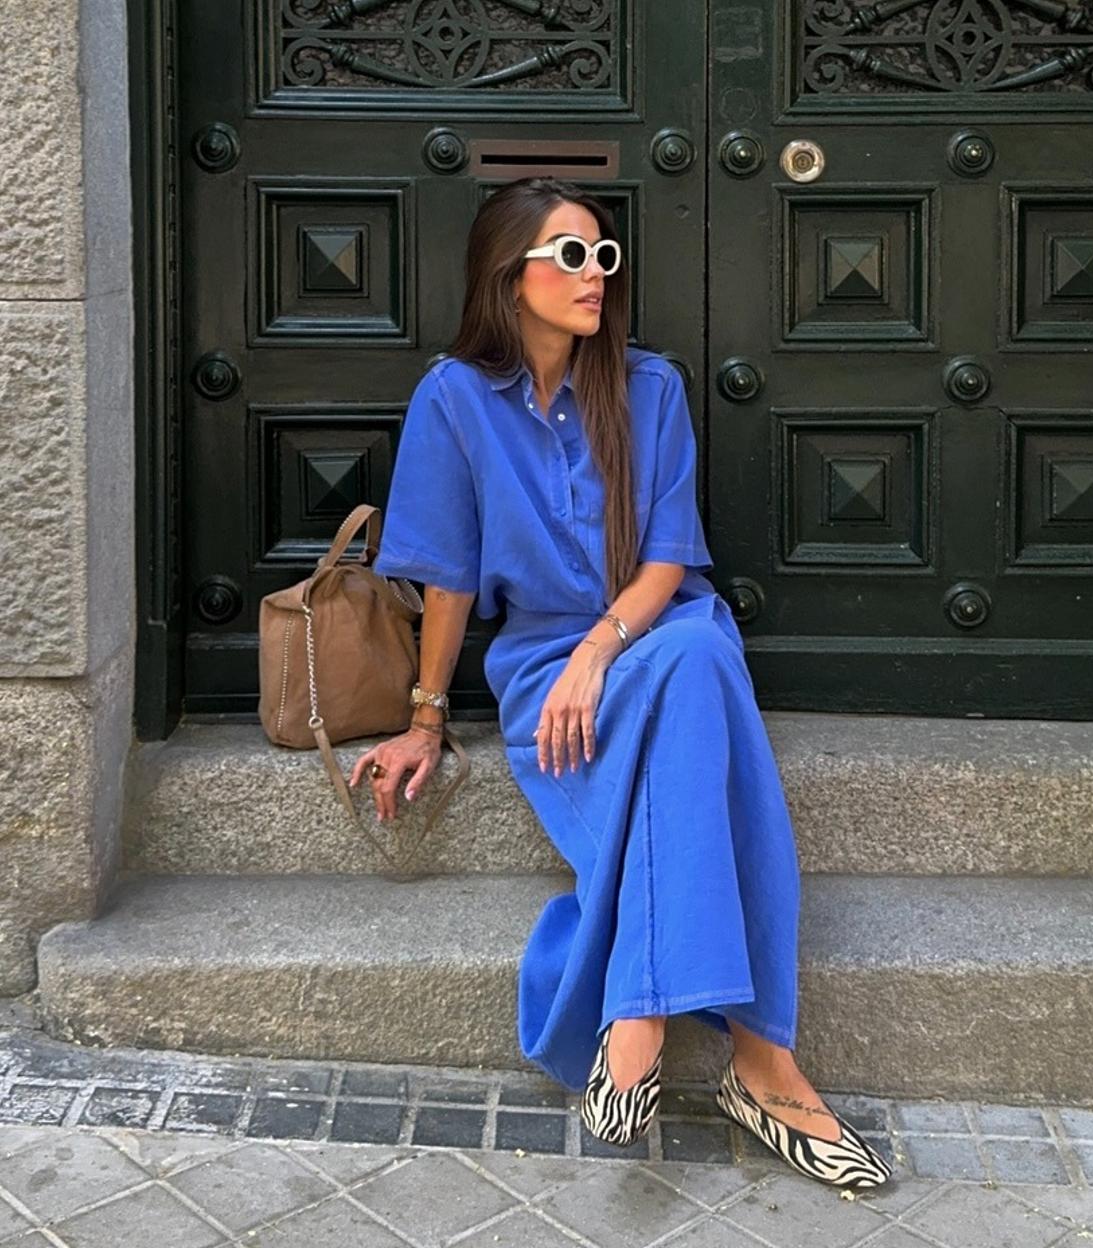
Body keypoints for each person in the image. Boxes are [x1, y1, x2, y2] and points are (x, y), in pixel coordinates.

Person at [348, 176, 891, 1189]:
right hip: (541, 669)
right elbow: (451, 579)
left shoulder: (649, 389)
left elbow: (669, 564)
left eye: (603, 257)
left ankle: (635, 1016)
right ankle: (762, 1060)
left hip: (648, 630)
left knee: (693, 651)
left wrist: (601, 650)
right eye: (570, 256)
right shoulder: (454, 400)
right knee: (698, 727)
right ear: (509, 280)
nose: (595, 276)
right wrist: (426, 718)